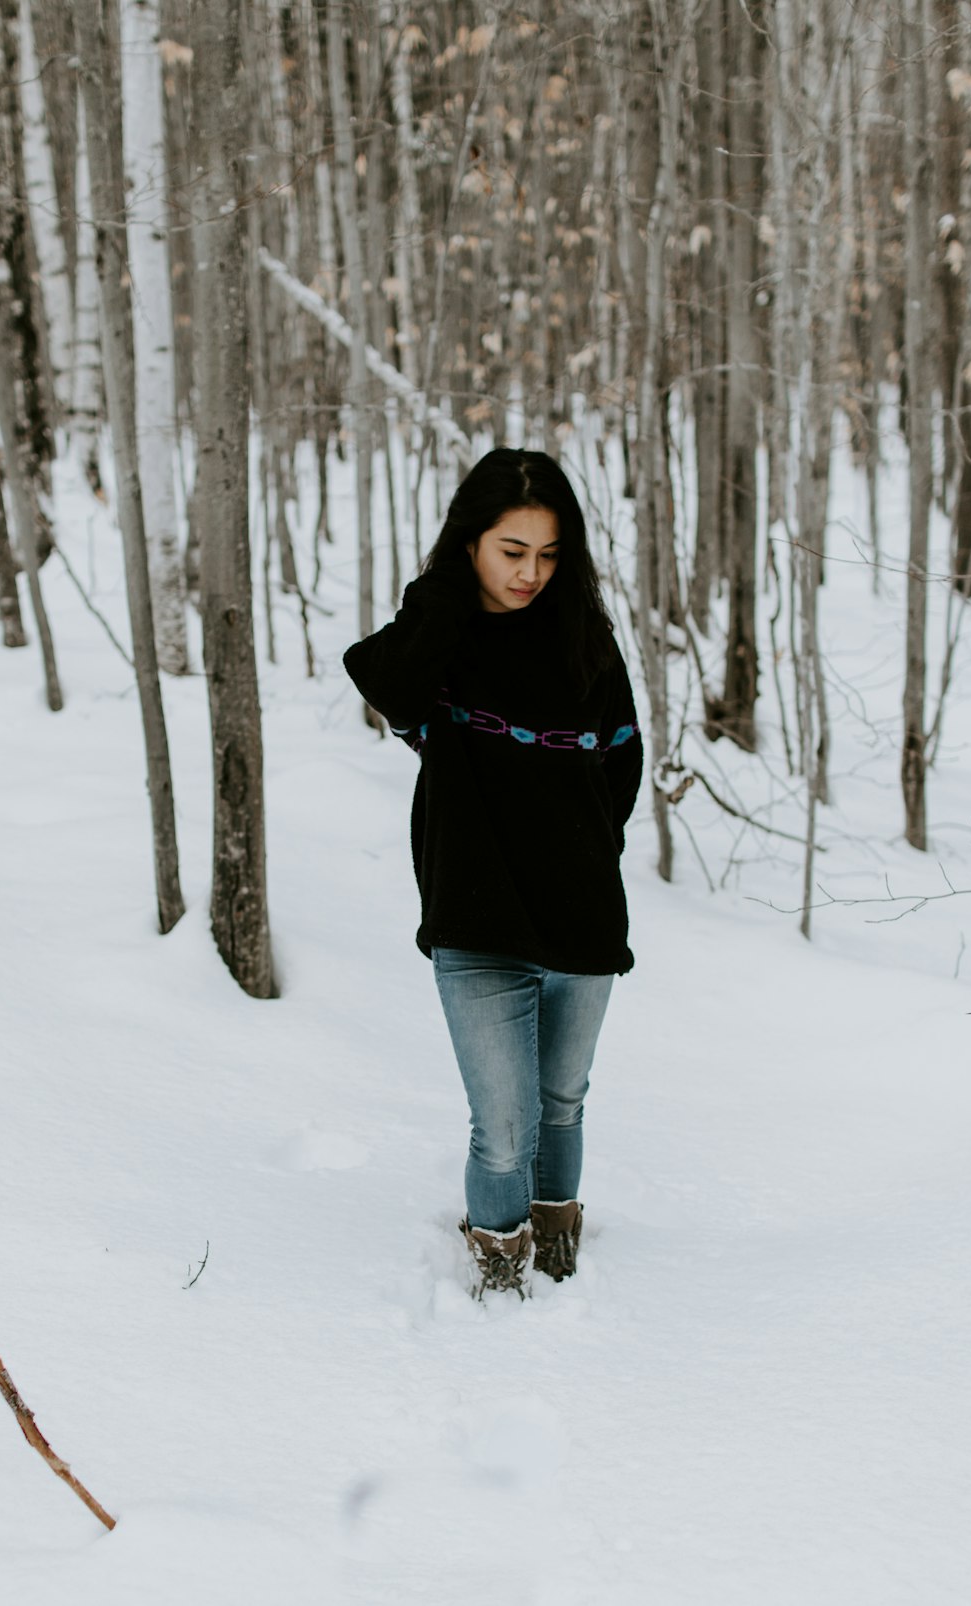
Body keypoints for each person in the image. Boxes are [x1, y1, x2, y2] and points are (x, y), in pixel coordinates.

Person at [343, 448, 642, 1298]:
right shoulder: (435, 637)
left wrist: (588, 856)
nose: (531, 574)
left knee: (562, 1103)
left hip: (581, 918)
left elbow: (623, 759)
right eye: (512, 551)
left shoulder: (582, 634)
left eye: (549, 555)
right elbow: (387, 685)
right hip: (475, 917)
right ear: (471, 540)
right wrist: (442, 598)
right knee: (505, 1125)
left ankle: (558, 1252)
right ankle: (500, 1270)